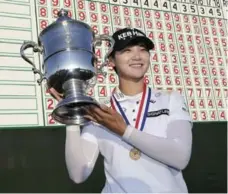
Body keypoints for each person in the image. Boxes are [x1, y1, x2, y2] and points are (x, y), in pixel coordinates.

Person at [50, 27, 193, 193]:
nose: (137, 56)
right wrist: (71, 115)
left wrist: (124, 130)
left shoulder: (171, 99)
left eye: (143, 49)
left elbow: (180, 157)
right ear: (111, 61)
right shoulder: (100, 111)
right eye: (127, 50)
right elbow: (78, 174)